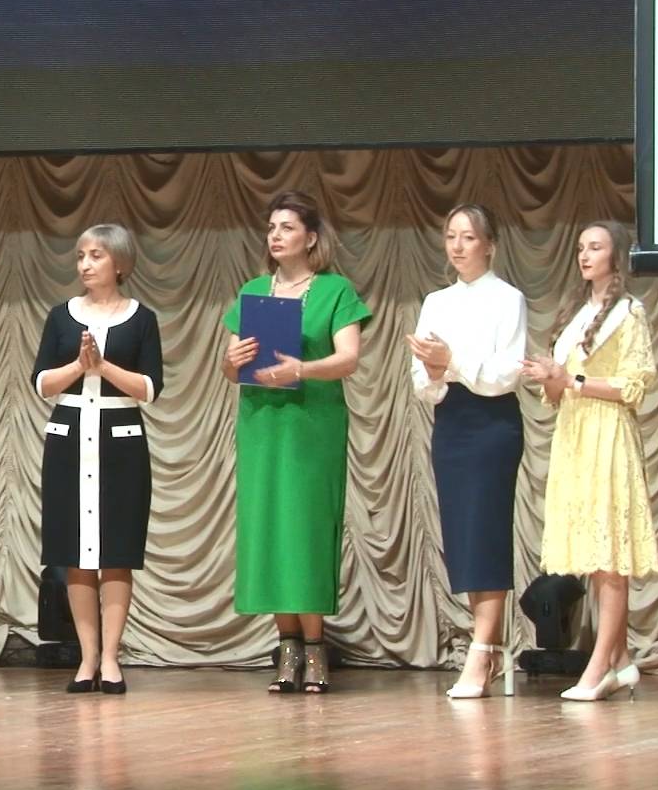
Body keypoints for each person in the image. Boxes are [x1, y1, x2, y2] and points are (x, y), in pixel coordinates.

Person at [221, 190, 371, 695]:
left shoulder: (334, 290)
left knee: (305, 530)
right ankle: (286, 648)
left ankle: (315, 646)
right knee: (269, 530)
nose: (276, 235)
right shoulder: (253, 291)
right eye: (271, 228)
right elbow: (229, 367)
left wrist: (301, 369)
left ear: (310, 237)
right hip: (262, 423)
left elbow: (348, 359)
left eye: (287, 227)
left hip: (311, 425)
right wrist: (232, 361)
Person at [521, 220, 658, 701]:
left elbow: (633, 385)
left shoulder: (629, 313)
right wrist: (549, 377)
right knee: (591, 554)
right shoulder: (579, 313)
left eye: (595, 247)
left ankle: (598, 668)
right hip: (575, 436)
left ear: (614, 256)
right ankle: (620, 661)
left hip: (609, 433)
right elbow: (558, 391)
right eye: (581, 247)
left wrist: (574, 381)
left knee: (610, 558)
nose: (584, 255)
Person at [33, 224, 164, 695]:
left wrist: (103, 366)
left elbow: (150, 388)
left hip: (120, 442)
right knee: (74, 554)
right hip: (69, 439)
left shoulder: (142, 318)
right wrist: (78, 365)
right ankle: (86, 658)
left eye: (96, 256)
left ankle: (111, 658)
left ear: (120, 264)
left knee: (116, 553)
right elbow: (41, 383)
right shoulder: (60, 316)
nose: (85, 264)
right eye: (81, 256)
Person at [408, 204, 529, 699]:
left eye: (469, 237)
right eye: (451, 236)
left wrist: (452, 360)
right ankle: (488, 647)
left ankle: (482, 652)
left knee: (486, 531)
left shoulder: (508, 298)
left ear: (490, 245)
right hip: (452, 421)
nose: (457, 246)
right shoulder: (436, 302)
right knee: (462, 536)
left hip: (493, 423)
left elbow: (504, 374)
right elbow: (422, 382)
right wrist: (437, 371)